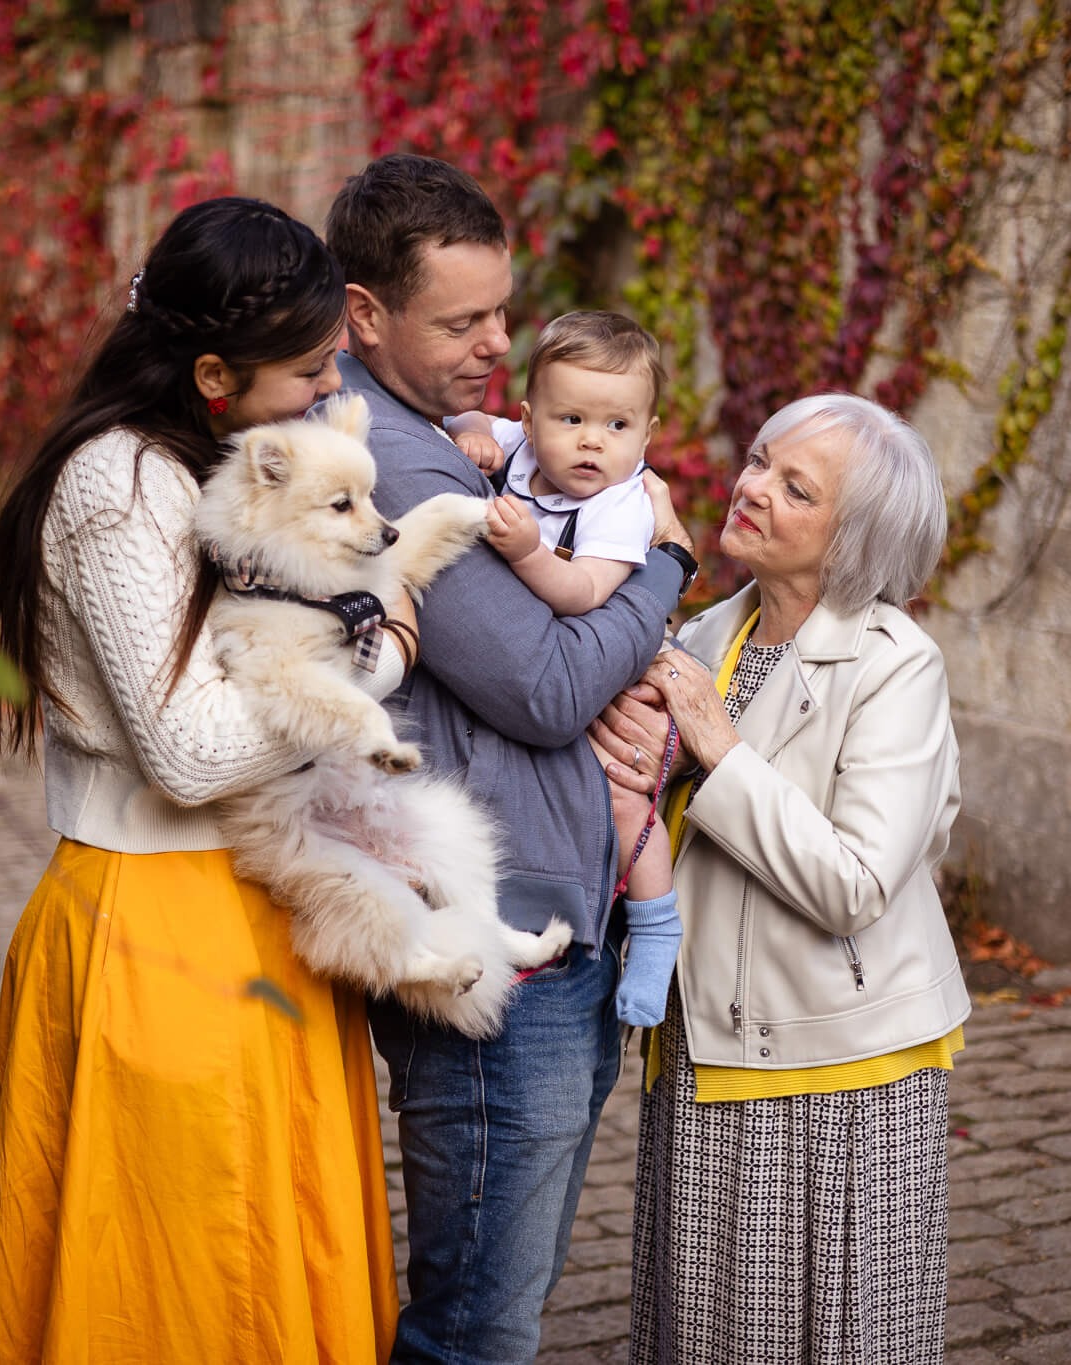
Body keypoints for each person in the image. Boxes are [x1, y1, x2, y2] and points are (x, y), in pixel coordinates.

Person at [0, 197, 407, 1365]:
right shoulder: (121, 486)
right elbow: (188, 752)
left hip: (249, 913)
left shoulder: (195, 462)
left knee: (263, 1268)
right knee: (179, 1289)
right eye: (310, 372)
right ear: (214, 371)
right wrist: (383, 653)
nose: (328, 393)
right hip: (160, 928)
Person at [323, 153, 697, 1364]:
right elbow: (544, 687)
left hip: (547, 918)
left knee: (497, 1297)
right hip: (495, 951)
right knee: (477, 1329)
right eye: (462, 320)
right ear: (364, 314)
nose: (498, 342)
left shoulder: (453, 435)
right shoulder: (393, 460)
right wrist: (667, 569)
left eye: (501, 309)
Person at [589, 391, 970, 1363]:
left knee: (838, 1335)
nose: (749, 486)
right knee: (712, 1328)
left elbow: (852, 884)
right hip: (704, 1038)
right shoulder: (707, 638)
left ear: (851, 538)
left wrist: (714, 751)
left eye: (792, 486)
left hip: (836, 1063)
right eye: (757, 459)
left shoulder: (896, 668)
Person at [445, 310, 682, 1027]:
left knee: (621, 799)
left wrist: (526, 554)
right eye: (570, 417)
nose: (590, 441)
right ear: (529, 414)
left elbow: (583, 593)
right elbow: (455, 415)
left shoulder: (621, 504)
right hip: (559, 668)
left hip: (621, 669)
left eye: (617, 426)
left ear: (645, 433)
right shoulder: (518, 447)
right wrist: (472, 436)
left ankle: (655, 929)